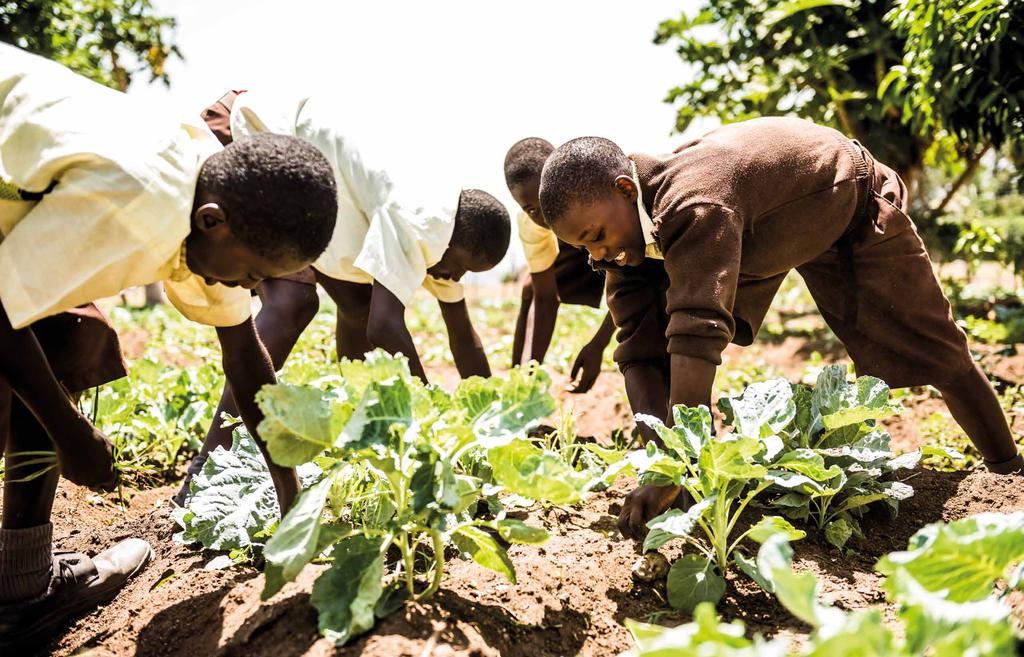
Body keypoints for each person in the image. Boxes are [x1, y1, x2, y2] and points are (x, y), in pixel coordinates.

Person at [537, 117, 1024, 539]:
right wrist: (661, 456)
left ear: (626, 189)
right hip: (760, 233)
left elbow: (696, 333)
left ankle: (1008, 473)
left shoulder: (695, 204)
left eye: (597, 236)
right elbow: (639, 350)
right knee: (654, 339)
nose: (597, 255)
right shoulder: (622, 240)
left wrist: (679, 457)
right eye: (583, 248)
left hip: (846, 201)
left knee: (933, 349)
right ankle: (685, 489)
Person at [0, 45, 338, 647]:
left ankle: (22, 585)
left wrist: (292, 498)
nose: (253, 289)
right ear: (213, 222)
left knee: (69, 334)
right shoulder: (143, 201)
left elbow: (246, 359)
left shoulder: (208, 208)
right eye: (256, 273)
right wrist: (67, 430)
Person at [173, 91, 510, 504]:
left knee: (356, 305)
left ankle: (364, 440)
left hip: (313, 178)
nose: (455, 278)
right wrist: (434, 436)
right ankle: (204, 475)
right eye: (461, 268)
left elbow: (462, 337)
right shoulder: (426, 219)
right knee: (293, 303)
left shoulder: (444, 240)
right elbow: (385, 327)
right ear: (458, 240)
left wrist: (495, 425)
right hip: (258, 141)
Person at [504, 138, 614, 393]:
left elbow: (637, 281)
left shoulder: (598, 205)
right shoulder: (533, 226)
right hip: (576, 248)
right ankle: (519, 382)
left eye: (548, 200)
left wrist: (598, 344)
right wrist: (521, 386)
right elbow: (544, 299)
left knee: (649, 308)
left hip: (610, 242)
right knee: (531, 288)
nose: (546, 215)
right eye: (532, 209)